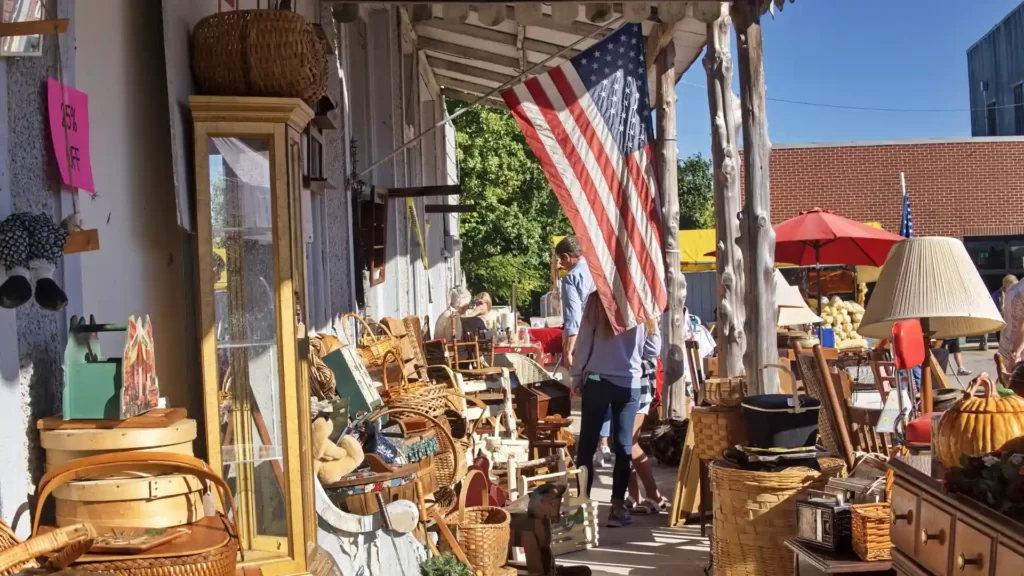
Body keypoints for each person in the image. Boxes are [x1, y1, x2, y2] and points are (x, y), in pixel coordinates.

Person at [571, 296, 658, 528]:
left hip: (598, 379)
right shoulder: (641, 299)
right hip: (629, 381)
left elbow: (584, 341)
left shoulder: (596, 300)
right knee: (624, 446)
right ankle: (617, 506)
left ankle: (582, 506)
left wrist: (577, 376)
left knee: (588, 445)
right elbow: (653, 348)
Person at [555, 236, 612, 465]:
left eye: (562, 261)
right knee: (605, 390)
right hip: (608, 337)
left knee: (589, 392)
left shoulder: (571, 279)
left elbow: (573, 318)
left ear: (568, 257)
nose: (563, 265)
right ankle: (604, 444)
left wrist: (569, 351)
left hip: (586, 341)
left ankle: (589, 450)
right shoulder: (598, 270)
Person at [625, 320, 668, 515]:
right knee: (624, 443)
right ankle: (635, 495)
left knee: (628, 442)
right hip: (633, 378)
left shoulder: (641, 314)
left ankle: (652, 493)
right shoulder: (643, 312)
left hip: (634, 379)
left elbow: (652, 348)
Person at [999, 279, 1024, 394]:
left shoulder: (1013, 289)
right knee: (1014, 388)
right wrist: (1017, 352)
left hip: (1006, 342)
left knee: (1005, 385)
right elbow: (1022, 325)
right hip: (1016, 347)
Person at [986, 275, 1019, 349]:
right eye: (1015, 285)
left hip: (1014, 326)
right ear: (1009, 285)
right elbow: (992, 309)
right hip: (1002, 327)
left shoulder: (1017, 294)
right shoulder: (997, 295)